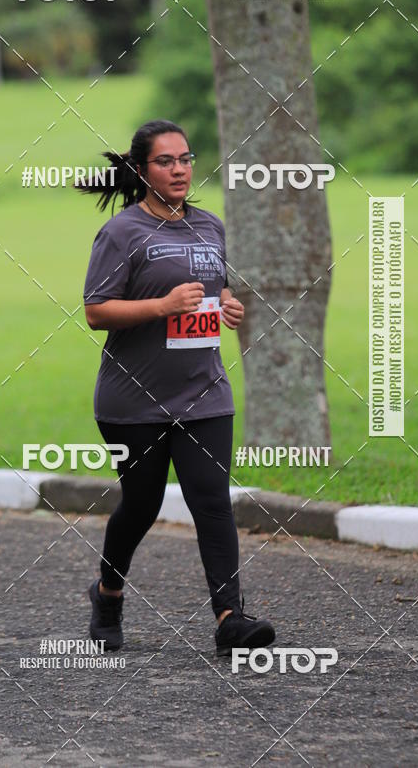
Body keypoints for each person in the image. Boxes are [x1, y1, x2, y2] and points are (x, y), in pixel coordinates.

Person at [81, 119, 275, 657]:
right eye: (165, 161)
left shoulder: (210, 227)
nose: (179, 169)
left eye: (185, 159)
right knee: (141, 506)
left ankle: (230, 618)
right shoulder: (122, 233)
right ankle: (108, 594)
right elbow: (97, 311)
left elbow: (214, 292)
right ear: (143, 170)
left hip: (204, 392)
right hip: (133, 399)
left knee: (211, 501)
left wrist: (227, 305)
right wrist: (163, 306)